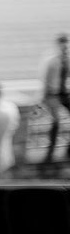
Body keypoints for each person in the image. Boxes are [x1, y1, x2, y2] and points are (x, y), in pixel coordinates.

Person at [43, 33, 70, 167]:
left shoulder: (67, 60)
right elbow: (45, 79)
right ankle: (50, 153)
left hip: (65, 93)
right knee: (56, 122)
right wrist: (44, 97)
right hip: (53, 94)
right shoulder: (51, 61)